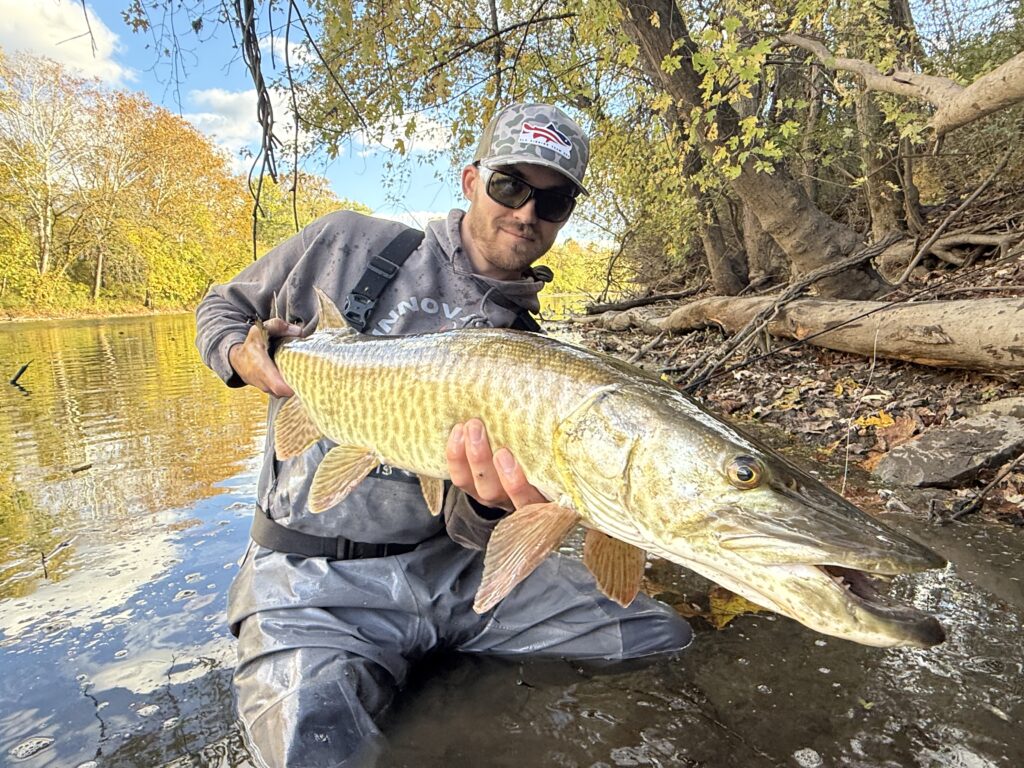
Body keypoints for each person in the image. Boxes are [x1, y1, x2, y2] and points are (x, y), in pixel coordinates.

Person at [195, 103, 692, 768]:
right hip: (315, 576)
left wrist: (489, 505)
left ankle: (449, 696)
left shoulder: (533, 360)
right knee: (310, 752)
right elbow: (221, 308)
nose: (525, 214)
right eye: (511, 186)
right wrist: (239, 353)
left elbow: (470, 532)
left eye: (553, 200)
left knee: (654, 636)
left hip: (451, 575)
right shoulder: (347, 245)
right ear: (470, 180)